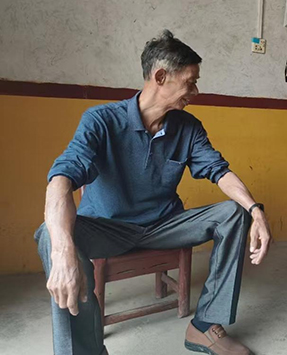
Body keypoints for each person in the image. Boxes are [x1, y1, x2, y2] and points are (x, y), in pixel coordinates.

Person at [35, 30, 270, 355]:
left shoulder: (188, 127)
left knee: (234, 212)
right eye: (190, 82)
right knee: (51, 234)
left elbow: (220, 171)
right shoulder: (101, 121)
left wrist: (255, 210)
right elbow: (61, 179)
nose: (195, 91)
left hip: (164, 226)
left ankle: (204, 326)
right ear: (161, 77)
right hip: (109, 229)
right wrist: (63, 252)